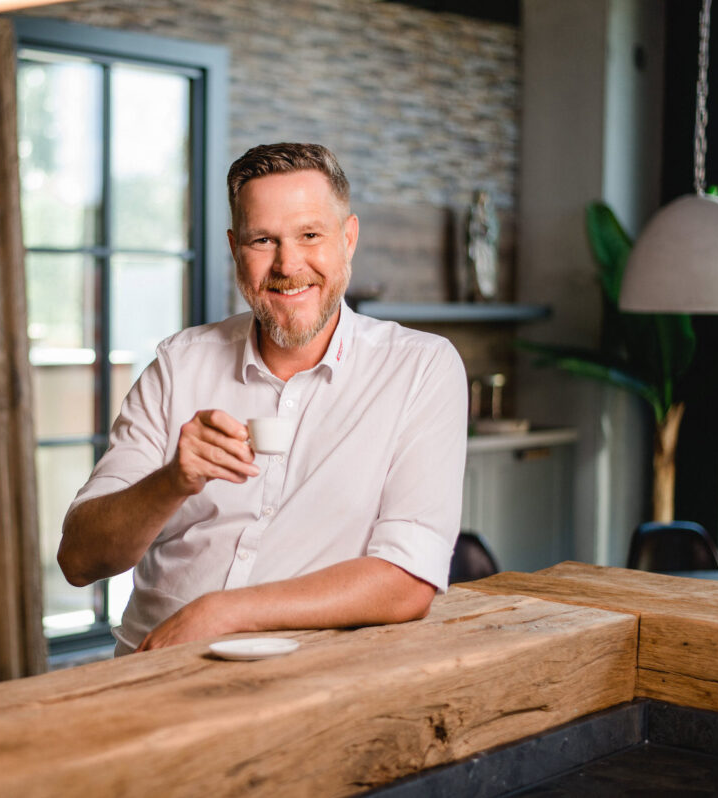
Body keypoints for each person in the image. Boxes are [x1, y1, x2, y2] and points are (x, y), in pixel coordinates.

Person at [59, 143, 468, 654]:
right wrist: (172, 481)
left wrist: (221, 612)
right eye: (262, 240)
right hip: (149, 669)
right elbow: (79, 560)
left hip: (307, 682)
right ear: (235, 249)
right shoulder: (178, 363)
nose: (287, 263)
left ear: (349, 239)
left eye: (310, 235)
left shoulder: (420, 367)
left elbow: (408, 578)